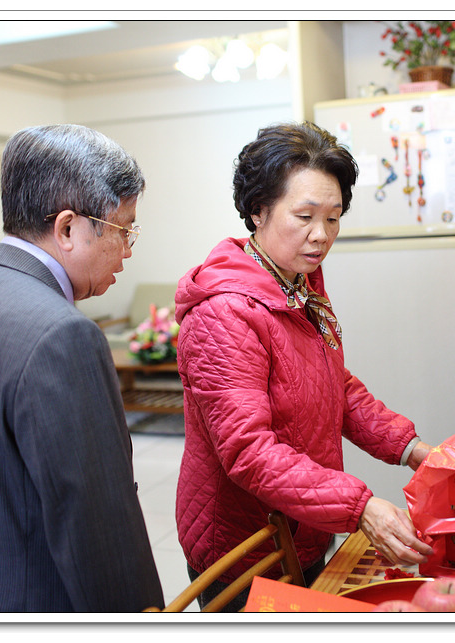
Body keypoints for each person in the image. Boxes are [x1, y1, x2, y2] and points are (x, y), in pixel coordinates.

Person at [0, 124, 164, 612]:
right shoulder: (62, 335)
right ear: (68, 228)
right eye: (124, 230)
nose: (128, 250)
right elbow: (96, 524)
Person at [174, 121, 434, 611]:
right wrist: (358, 507)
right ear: (257, 210)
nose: (321, 236)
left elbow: (333, 387)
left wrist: (411, 448)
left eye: (333, 218)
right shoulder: (223, 313)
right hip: (244, 542)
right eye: (305, 216)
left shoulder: (297, 280)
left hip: (301, 522)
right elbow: (248, 451)